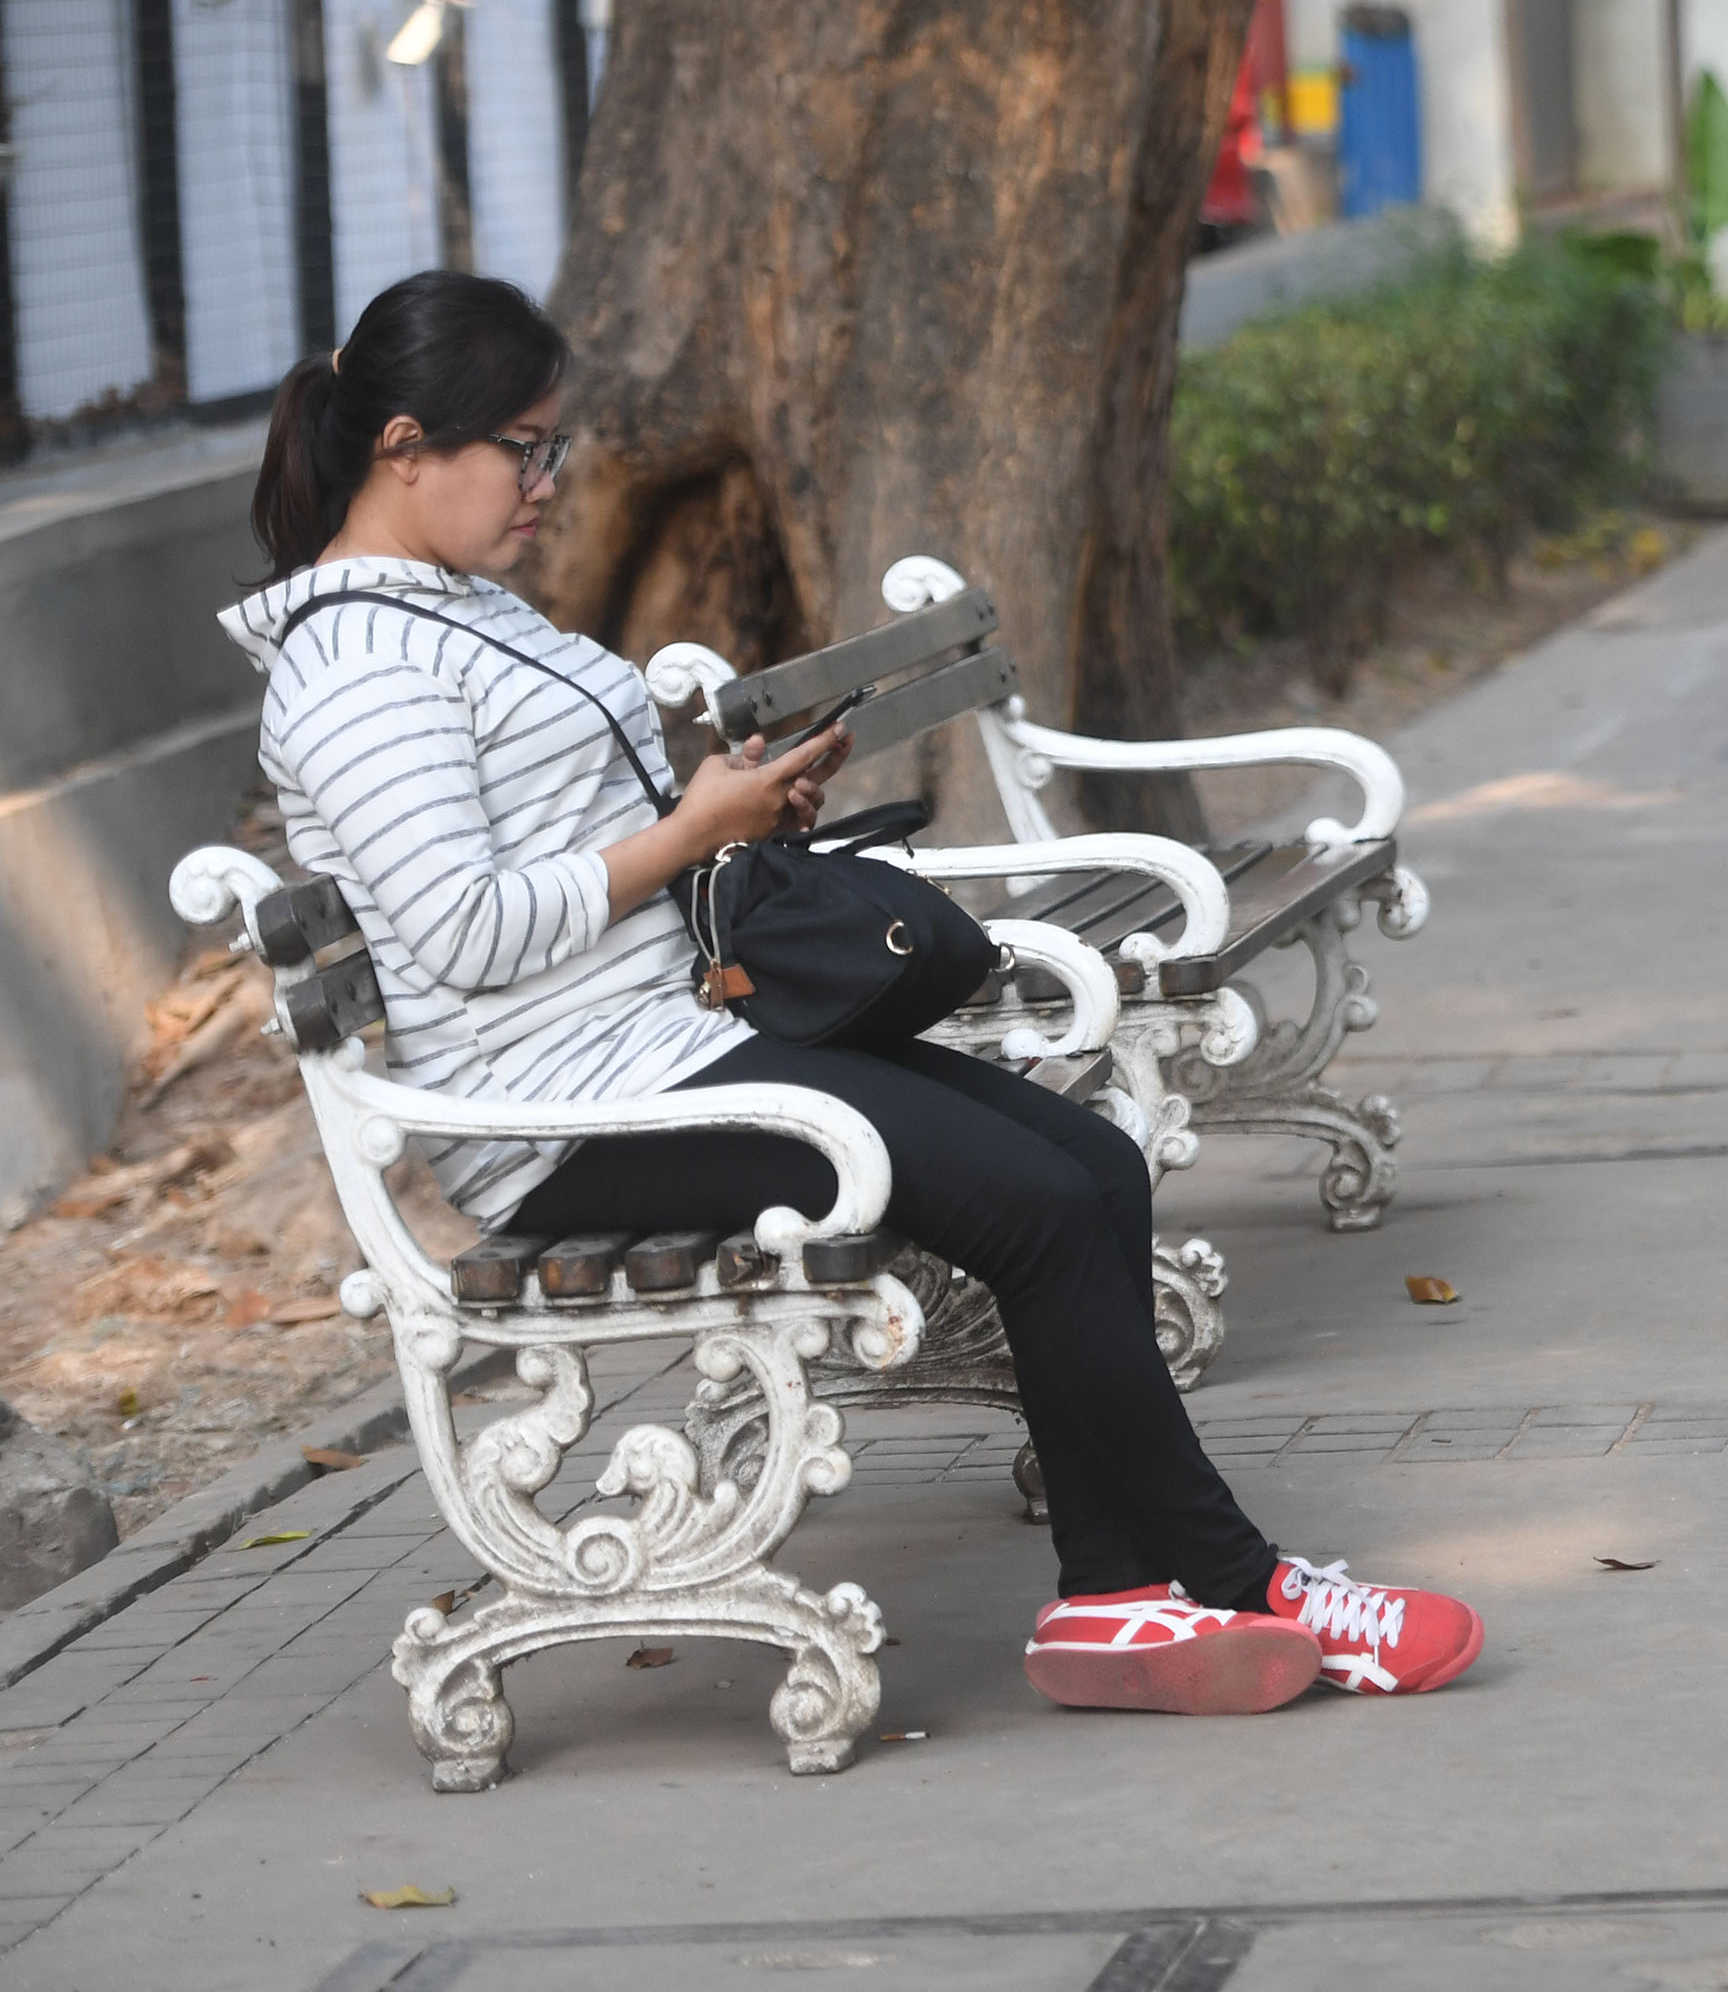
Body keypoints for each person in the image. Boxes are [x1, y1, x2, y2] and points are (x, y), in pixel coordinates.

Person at [221, 271, 1483, 1718]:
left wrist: (735, 814)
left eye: (551, 445)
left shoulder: (444, 610)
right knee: (1039, 1199)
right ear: (404, 447)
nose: (548, 482)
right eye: (524, 447)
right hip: (563, 1119)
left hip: (658, 1046)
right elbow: (465, 931)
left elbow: (550, 859)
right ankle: (1237, 1580)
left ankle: (1115, 1602)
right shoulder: (358, 667)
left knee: (1088, 1161)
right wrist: (690, 833)